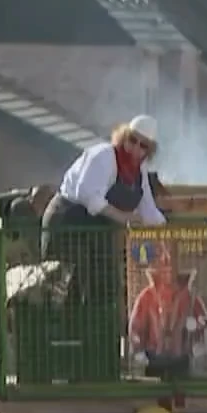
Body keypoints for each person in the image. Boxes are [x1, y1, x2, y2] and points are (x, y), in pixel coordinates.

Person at [41, 116, 167, 305]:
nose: (136, 148)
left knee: (105, 289)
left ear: (148, 152)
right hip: (68, 223)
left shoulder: (139, 172)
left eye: (143, 146)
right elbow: (88, 195)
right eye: (132, 140)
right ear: (124, 136)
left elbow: (148, 210)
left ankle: (100, 333)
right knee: (69, 290)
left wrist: (167, 232)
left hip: (98, 233)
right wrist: (124, 218)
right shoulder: (104, 156)